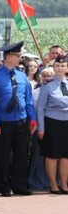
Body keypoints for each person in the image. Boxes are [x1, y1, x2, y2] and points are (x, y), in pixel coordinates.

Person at [0, 41, 36, 197]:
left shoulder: (22, 76)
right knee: (2, 155)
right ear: (8, 57)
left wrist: (33, 119)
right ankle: (3, 185)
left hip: (21, 120)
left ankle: (19, 185)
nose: (20, 58)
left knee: (21, 154)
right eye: (17, 56)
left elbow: (28, 100)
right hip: (4, 121)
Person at [36, 55, 68, 193]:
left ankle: (64, 184)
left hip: (66, 123)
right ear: (53, 68)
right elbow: (40, 108)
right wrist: (41, 128)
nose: (60, 68)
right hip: (52, 123)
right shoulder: (47, 86)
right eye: (57, 66)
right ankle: (53, 184)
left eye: (62, 66)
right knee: (52, 155)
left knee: (65, 155)